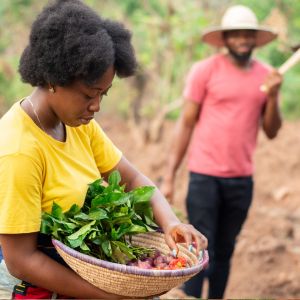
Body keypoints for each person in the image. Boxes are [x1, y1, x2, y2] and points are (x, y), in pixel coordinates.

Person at [0, 0, 208, 299]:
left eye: (103, 94)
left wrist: (171, 223)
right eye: (89, 94)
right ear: (52, 79)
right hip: (35, 289)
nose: (96, 106)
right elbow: (21, 261)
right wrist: (112, 296)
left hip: (81, 280)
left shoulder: (77, 123)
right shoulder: (18, 151)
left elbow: (132, 179)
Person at [161, 4, 283, 299]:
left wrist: (274, 96)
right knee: (200, 250)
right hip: (204, 176)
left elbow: (271, 130)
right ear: (225, 38)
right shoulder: (204, 71)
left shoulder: (268, 77)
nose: (242, 39)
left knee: (226, 251)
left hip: (242, 180)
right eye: (236, 34)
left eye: (248, 35)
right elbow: (186, 123)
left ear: (255, 39)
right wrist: (169, 176)